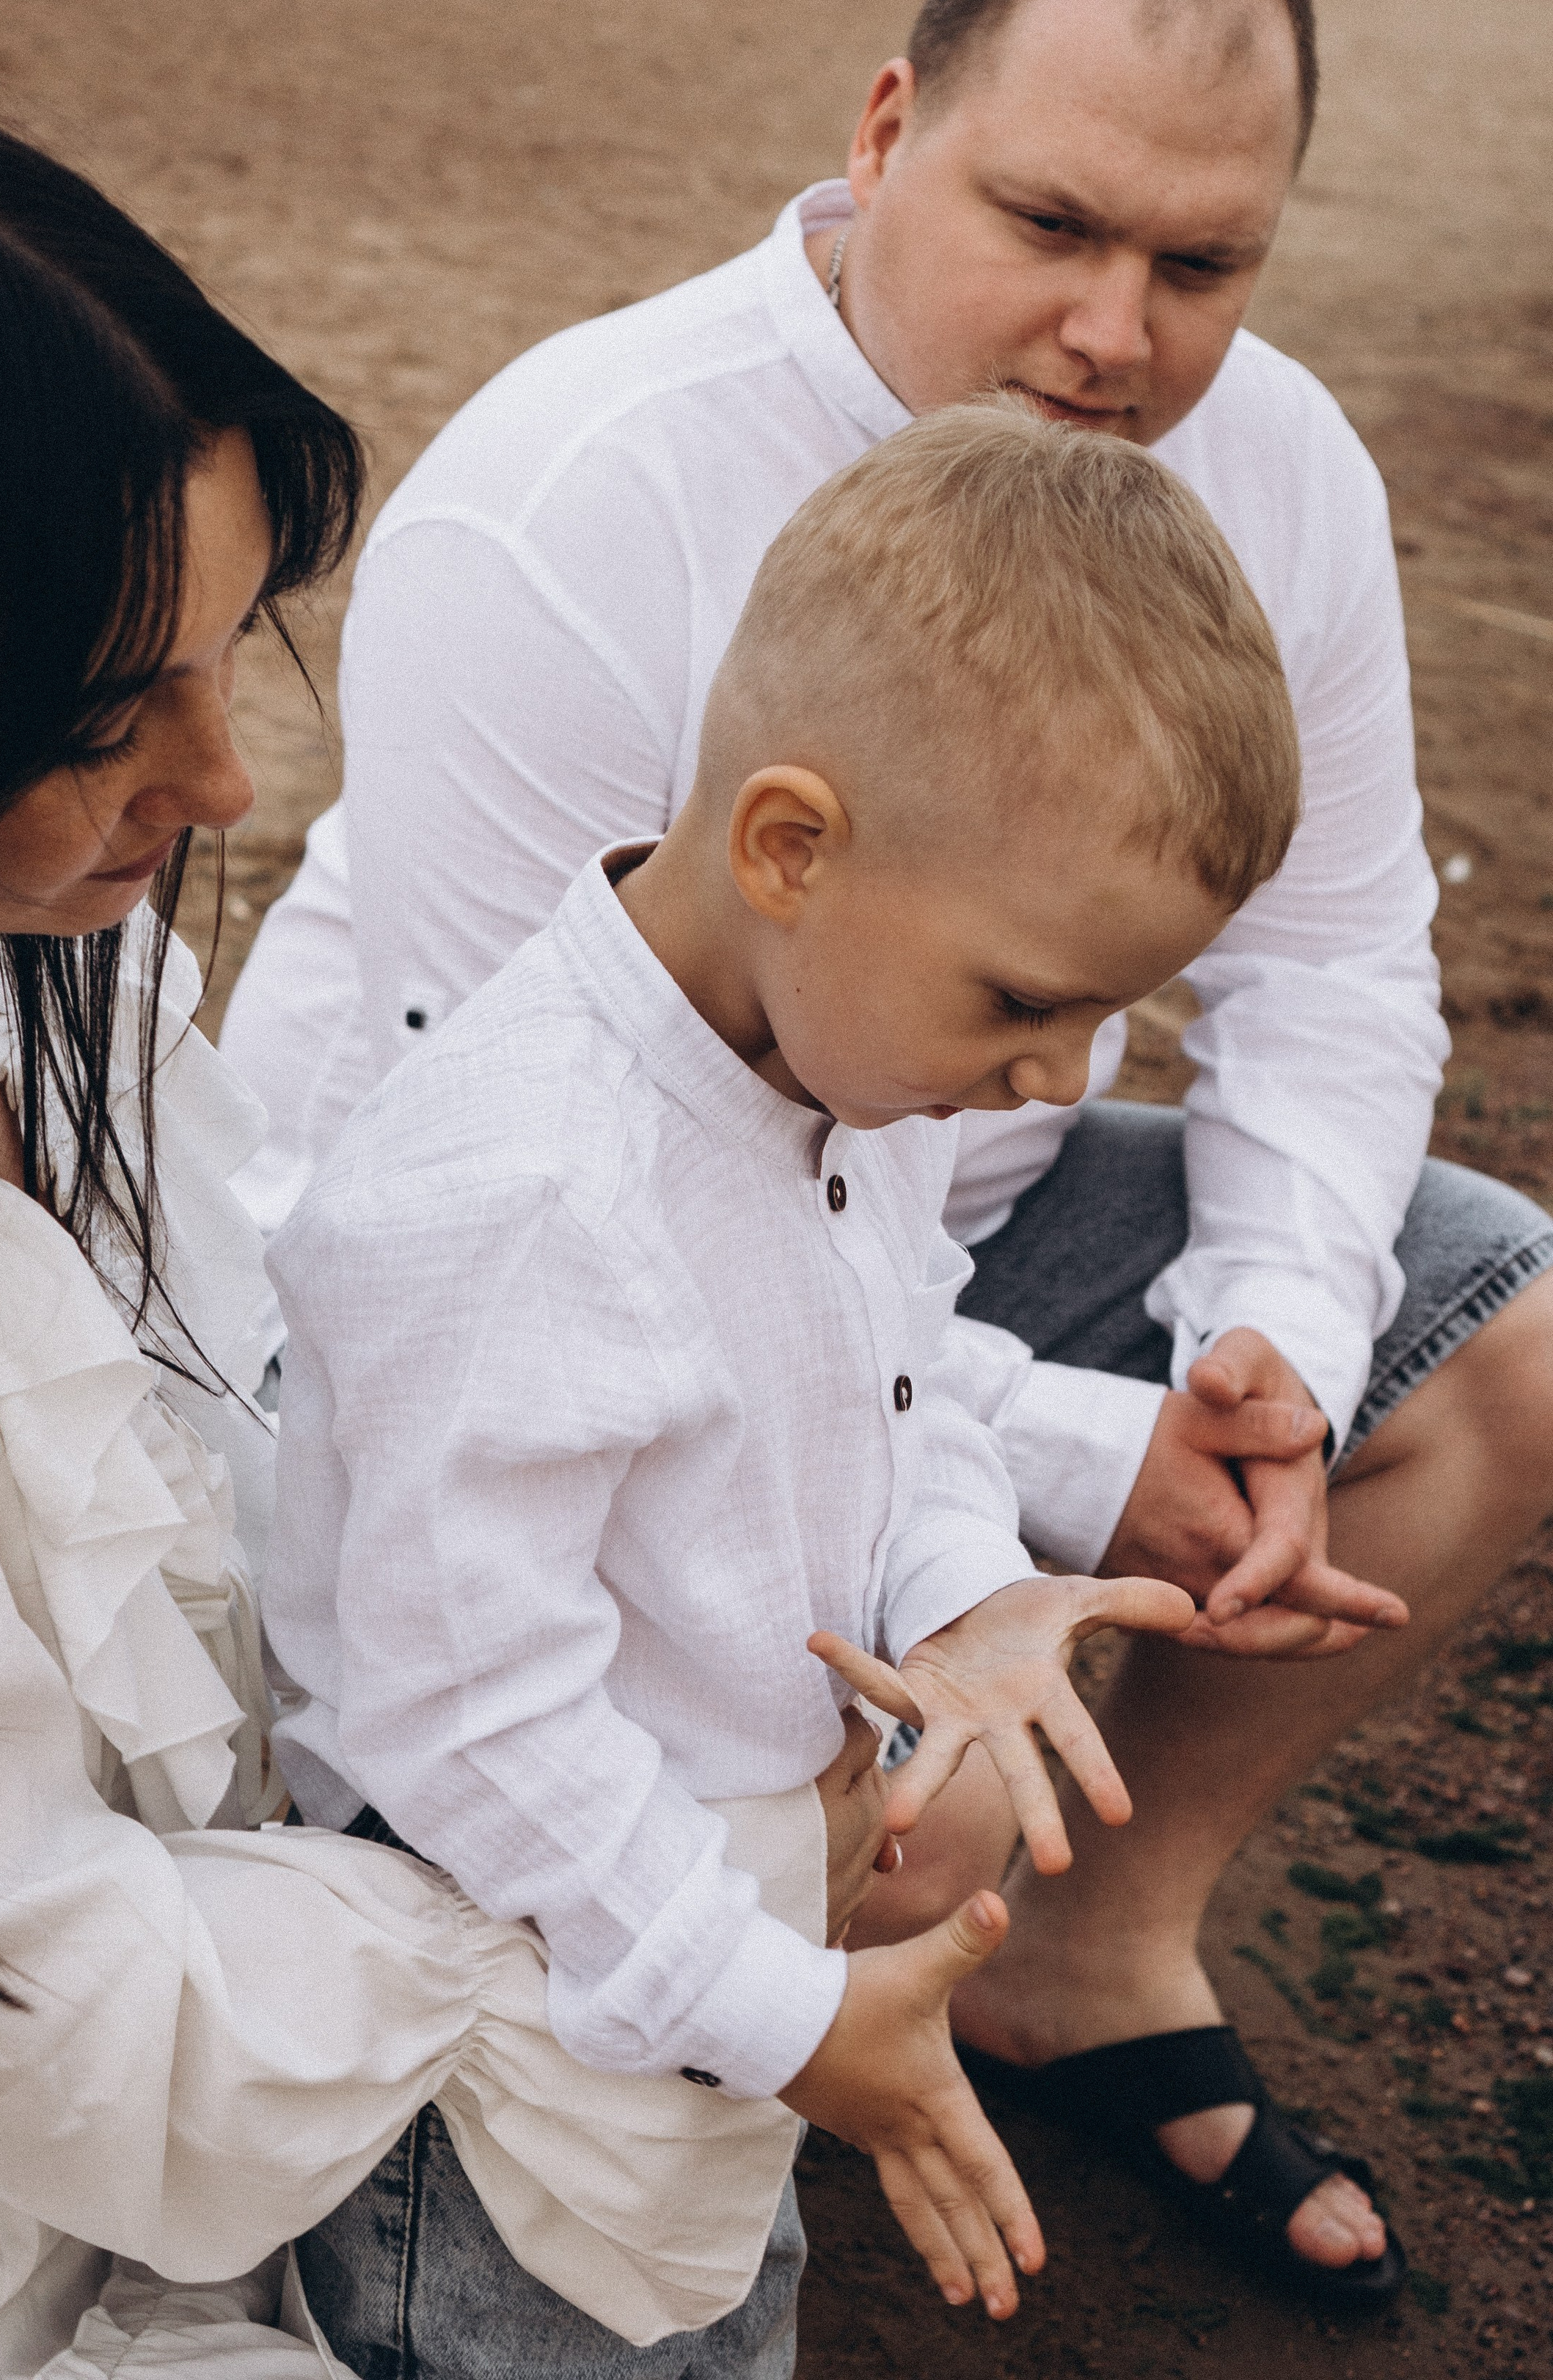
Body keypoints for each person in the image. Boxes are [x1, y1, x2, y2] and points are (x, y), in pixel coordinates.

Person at [224, 0, 1553, 2296]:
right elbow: (591, 1236)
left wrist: (1261, 1348)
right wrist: (1071, 1468)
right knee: (668, 1750)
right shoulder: (573, 504)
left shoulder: (1280, 473)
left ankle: (1069, 1951)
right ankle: (781, 1967)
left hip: (903, 1245)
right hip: (534, 1341)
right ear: (885, 127)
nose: (1115, 332)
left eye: (1203, 265)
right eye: (1051, 222)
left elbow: (1342, 962)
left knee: (1497, 1337)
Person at [0, 86, 954, 2380]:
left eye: (229, 645)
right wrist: (662, 1931)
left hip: (209, 1984)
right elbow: (14, 1966)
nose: (230, 783)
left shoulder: (38, 948)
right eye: (105, 715)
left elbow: (233, 1469)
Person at [260, 400, 1403, 2375]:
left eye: (1110, 1013)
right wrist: (792, 2022)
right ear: (791, 847)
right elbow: (463, 1724)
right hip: (509, 2043)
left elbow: (895, 1384)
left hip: (706, 1967)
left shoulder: (843, 1062)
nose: (1063, 1076)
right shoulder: (526, 1198)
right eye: (1028, 1000)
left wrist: (959, 1593)